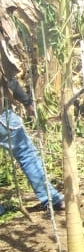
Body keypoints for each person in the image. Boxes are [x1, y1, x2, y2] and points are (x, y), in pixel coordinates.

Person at [1, 77, 63, 212]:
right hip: (3, 119)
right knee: (27, 157)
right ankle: (51, 198)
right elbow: (8, 79)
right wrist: (27, 101)